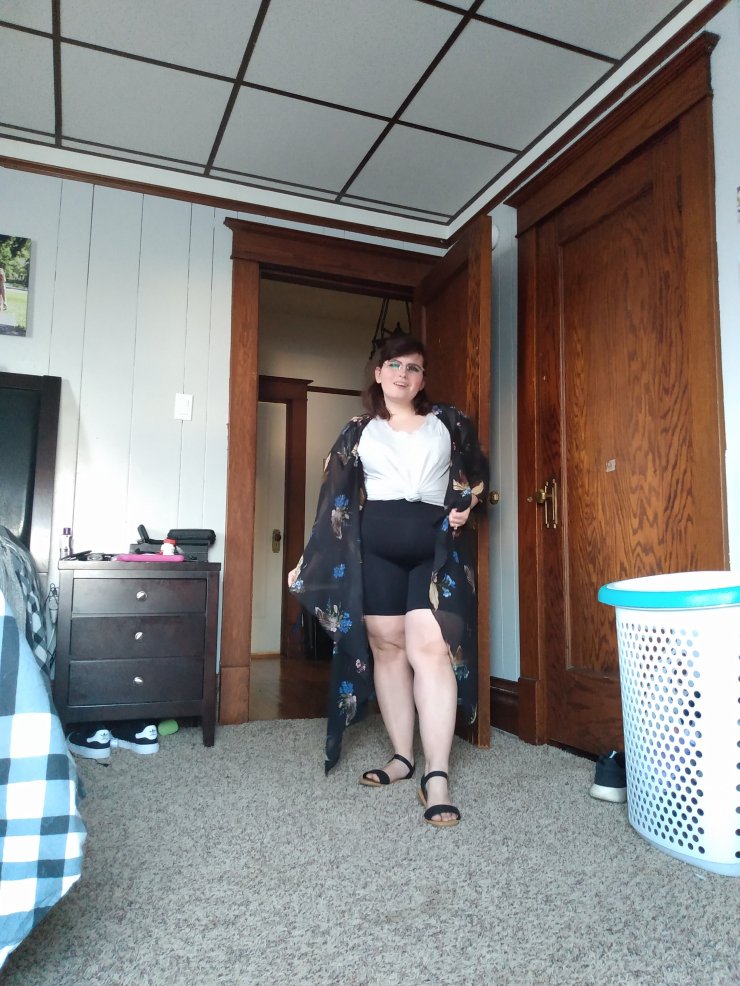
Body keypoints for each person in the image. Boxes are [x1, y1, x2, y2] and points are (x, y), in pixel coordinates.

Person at [288, 335, 488, 827]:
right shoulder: (358, 431)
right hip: (375, 553)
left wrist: (467, 505)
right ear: (378, 374)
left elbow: (476, 477)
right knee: (388, 647)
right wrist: (309, 559)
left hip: (433, 551)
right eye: (394, 365)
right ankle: (402, 756)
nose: (403, 374)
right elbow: (332, 500)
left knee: (431, 649)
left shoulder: (449, 422)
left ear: (422, 379)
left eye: (413, 368)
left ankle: (436, 774)